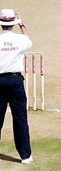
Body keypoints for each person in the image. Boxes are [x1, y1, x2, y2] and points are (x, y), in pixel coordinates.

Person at [0, 9, 33, 164]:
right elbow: (29, 40)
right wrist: (22, 24)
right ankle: (25, 155)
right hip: (14, 81)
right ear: (13, 23)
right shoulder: (20, 39)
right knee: (20, 117)